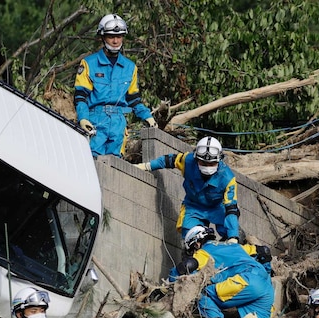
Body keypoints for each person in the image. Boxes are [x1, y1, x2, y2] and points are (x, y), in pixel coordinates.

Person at [74, 13, 157, 157]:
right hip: (95, 120)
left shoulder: (130, 67)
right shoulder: (89, 64)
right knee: (92, 160)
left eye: (119, 37)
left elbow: (134, 99)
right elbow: (81, 96)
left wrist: (147, 116)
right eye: (111, 36)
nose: (115, 41)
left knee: (115, 164)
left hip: (118, 122)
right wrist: (83, 118)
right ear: (102, 36)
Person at [136, 136, 240, 243]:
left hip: (218, 208)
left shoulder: (228, 178)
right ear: (196, 159)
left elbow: (231, 208)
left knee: (230, 234)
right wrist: (147, 166)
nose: (207, 167)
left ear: (219, 160)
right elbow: (167, 160)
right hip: (193, 207)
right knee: (191, 238)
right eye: (203, 163)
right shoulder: (187, 161)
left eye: (211, 163)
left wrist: (233, 236)